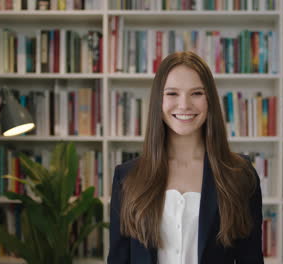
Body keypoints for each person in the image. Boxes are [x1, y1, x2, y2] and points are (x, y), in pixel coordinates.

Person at [108, 51, 264, 264]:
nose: (184, 105)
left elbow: (251, 259)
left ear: (209, 100)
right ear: (158, 100)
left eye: (196, 93)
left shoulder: (240, 174)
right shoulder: (127, 177)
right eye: (172, 93)